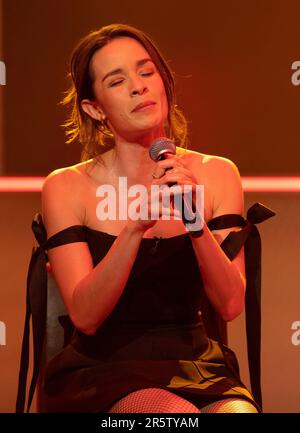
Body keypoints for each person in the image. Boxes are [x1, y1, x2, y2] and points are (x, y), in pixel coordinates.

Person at [16, 23, 275, 413]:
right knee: (175, 419)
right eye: (117, 81)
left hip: (197, 365)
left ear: (164, 83)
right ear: (94, 108)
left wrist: (194, 222)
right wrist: (134, 228)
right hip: (101, 370)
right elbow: (85, 316)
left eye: (146, 71)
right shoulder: (68, 186)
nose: (138, 86)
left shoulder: (218, 173)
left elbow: (230, 305)